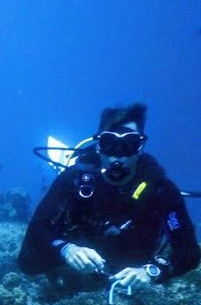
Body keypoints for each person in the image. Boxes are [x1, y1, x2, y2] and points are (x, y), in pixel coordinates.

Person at [18, 103, 200, 291]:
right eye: (109, 143)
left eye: (130, 144)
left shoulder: (162, 190)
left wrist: (152, 271)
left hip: (132, 257)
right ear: (98, 146)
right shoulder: (73, 179)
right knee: (28, 262)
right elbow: (37, 228)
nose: (118, 155)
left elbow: (189, 251)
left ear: (140, 148)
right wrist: (67, 249)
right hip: (82, 244)